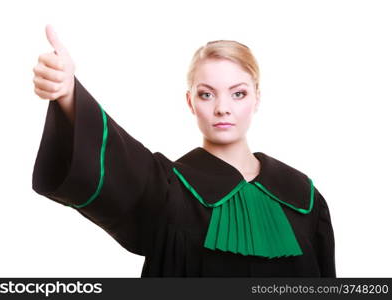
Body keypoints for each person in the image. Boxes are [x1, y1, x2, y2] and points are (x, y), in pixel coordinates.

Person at [32, 24, 336, 277]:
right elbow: (115, 157)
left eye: (238, 93)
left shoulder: (303, 197)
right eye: (207, 94)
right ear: (191, 102)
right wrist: (69, 93)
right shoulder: (167, 189)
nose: (222, 108)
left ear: (257, 98)